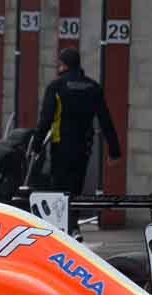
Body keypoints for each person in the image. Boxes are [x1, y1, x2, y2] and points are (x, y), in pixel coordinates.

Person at [33, 48, 122, 213]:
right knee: (76, 187)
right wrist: (114, 151)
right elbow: (105, 119)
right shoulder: (93, 87)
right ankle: (74, 226)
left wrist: (36, 145)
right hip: (84, 146)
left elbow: (46, 119)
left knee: (60, 188)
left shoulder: (56, 86)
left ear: (63, 65)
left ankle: (62, 227)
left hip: (61, 145)